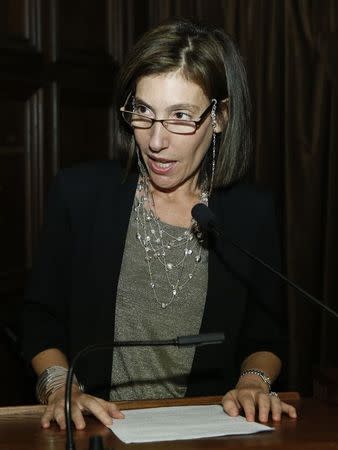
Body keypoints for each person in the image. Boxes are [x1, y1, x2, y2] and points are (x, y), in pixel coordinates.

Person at [22, 18, 297, 431]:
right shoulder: (78, 194)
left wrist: (252, 384)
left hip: (208, 433)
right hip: (96, 429)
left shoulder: (250, 213)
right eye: (143, 112)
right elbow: (40, 318)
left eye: (181, 116)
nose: (155, 140)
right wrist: (62, 388)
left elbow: (266, 337)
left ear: (219, 117)